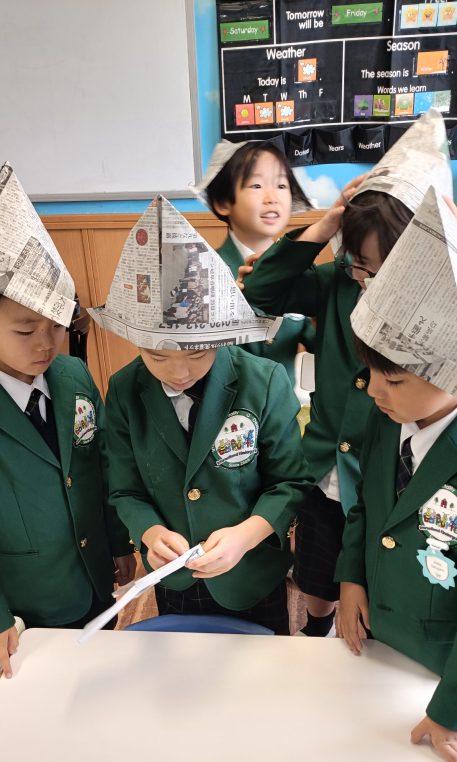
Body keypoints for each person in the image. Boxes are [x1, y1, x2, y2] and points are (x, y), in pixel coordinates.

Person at [241, 110, 452, 638]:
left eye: (380, 269)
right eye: (359, 264)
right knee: (317, 573)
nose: (367, 280)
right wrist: (329, 223)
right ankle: (317, 627)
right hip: (323, 468)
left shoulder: (439, 305)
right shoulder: (340, 282)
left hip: (386, 478)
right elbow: (261, 291)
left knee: (379, 573)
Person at [89, 196, 308, 635]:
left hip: (251, 575)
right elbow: (124, 489)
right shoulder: (126, 389)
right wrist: (150, 532)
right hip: (173, 575)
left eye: (197, 354)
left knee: (261, 666)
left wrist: (247, 535)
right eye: (157, 357)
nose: (179, 373)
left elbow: (290, 482)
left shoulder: (262, 381)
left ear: (221, 338)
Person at [336, 186, 457, 762]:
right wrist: (351, 577)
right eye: (372, 374)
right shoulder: (386, 418)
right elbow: (366, 503)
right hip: (381, 648)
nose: (376, 393)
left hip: (439, 670)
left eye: (396, 380)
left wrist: (449, 710)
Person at [0, 163, 135, 677]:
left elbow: (101, 464)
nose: (45, 343)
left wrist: (118, 541)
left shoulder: (74, 375)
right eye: (25, 330)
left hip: (94, 576)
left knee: (97, 678)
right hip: (26, 598)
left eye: (56, 326)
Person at [195, 137, 313, 387]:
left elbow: (316, 339)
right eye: (257, 185)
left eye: (281, 185)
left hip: (283, 405)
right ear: (223, 202)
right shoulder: (205, 272)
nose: (272, 197)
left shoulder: (300, 270)